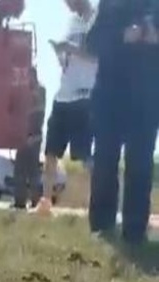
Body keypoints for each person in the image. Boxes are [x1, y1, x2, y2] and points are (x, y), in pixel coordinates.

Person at [85, 0, 159, 243]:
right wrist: (122, 36)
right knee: (105, 160)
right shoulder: (110, 4)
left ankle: (135, 231)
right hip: (110, 96)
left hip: (147, 99)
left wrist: (154, 36)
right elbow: (91, 42)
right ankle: (101, 225)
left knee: (140, 165)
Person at [36, 0, 98, 216]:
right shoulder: (71, 22)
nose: (70, 6)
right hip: (63, 94)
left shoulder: (96, 18)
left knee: (84, 154)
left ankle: (97, 200)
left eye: (72, 2)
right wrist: (60, 52)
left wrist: (70, 48)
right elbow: (68, 56)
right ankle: (45, 201)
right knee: (51, 151)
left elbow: (97, 57)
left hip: (84, 95)